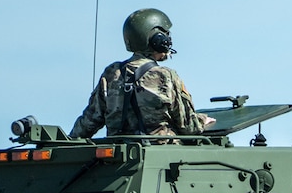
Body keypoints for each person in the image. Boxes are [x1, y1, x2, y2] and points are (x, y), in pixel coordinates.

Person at [70, 8, 215, 138]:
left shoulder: (111, 74)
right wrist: (203, 120)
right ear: (157, 39)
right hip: (161, 155)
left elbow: (89, 122)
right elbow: (189, 126)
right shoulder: (166, 76)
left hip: (118, 157)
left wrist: (66, 142)